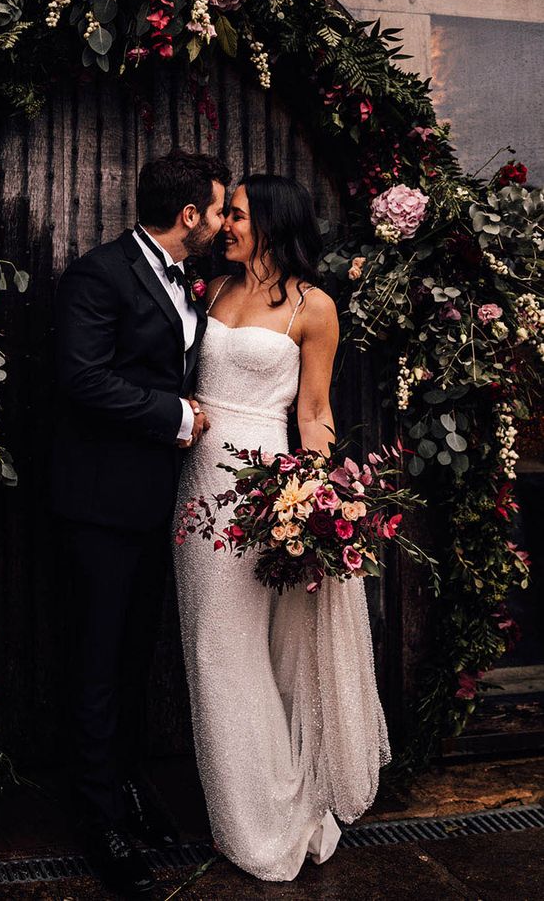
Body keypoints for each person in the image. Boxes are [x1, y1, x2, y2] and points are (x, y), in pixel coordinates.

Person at [173, 173, 391, 882]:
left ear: (269, 220)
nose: (222, 224)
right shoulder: (209, 292)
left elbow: (316, 411)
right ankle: (254, 811)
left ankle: (274, 817)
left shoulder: (313, 306)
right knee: (212, 647)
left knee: (245, 650)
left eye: (234, 213)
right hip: (200, 486)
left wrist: (318, 499)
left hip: (265, 488)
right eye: (223, 212)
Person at [51, 149, 228, 896]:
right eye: (219, 211)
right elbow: (81, 376)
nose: (223, 223)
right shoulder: (100, 274)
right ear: (189, 216)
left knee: (131, 661)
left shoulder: (192, 279)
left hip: (159, 504)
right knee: (96, 666)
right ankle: (100, 824)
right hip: (99, 504)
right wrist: (174, 413)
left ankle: (126, 790)